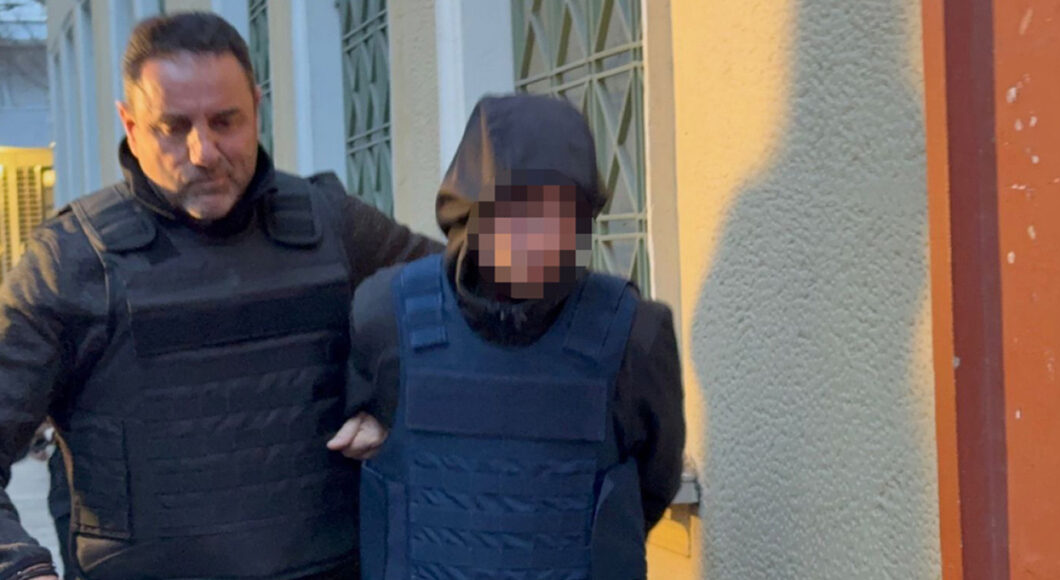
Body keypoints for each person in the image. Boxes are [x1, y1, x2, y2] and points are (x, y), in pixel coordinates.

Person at [0, 12, 439, 580]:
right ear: (130, 125)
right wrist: (23, 569)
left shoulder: (332, 225)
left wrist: (394, 399)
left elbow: (469, 300)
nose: (203, 151)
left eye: (225, 121)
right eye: (173, 127)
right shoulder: (70, 261)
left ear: (257, 108)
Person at [346, 95, 686, 579]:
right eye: (519, 211)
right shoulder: (385, 317)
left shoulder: (635, 333)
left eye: (564, 214)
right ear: (472, 213)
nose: (542, 236)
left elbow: (653, 483)